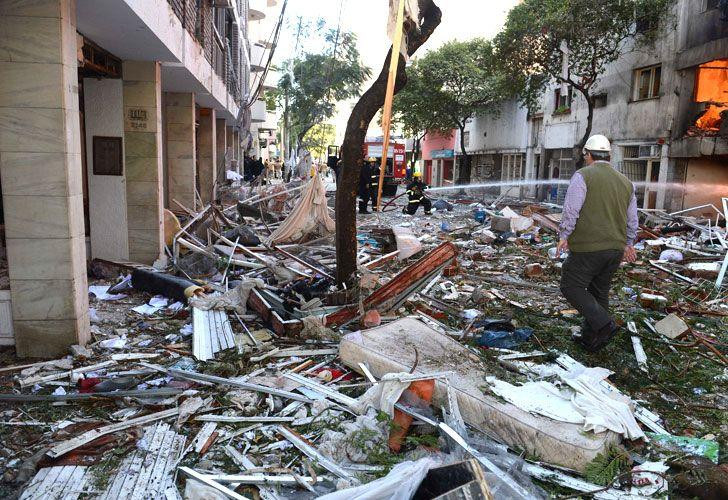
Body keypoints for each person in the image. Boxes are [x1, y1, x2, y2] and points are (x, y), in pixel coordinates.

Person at [557, 134, 638, 353]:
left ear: (588, 154)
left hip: (588, 247)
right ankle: (592, 340)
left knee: (570, 285)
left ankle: (605, 324)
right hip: (615, 250)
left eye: (585, 155)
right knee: (599, 291)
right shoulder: (626, 182)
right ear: (609, 155)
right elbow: (633, 219)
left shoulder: (583, 176)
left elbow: (571, 209)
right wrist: (629, 243)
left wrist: (564, 235)